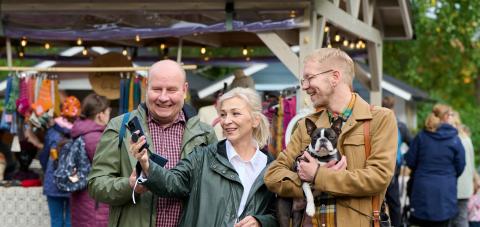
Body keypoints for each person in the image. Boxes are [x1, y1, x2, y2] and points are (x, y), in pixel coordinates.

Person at [264, 48, 398, 226]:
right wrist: (309, 182)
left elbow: (378, 178)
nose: (304, 86)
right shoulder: (306, 125)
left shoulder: (380, 118)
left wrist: (319, 176)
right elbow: (273, 176)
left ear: (335, 77)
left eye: (310, 78)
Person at [87, 60, 217, 227]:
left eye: (171, 90)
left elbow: (215, 189)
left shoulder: (205, 134)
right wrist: (129, 186)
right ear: (146, 86)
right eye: (157, 89)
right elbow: (96, 184)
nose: (163, 97)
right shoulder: (120, 126)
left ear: (184, 90)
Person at [131, 87, 277, 227]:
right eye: (223, 114)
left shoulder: (270, 168)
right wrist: (146, 163)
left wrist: (261, 222)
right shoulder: (202, 157)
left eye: (235, 113)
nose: (226, 121)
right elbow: (172, 183)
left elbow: (277, 215)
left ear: (255, 120)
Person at [405, 104, 465, 227]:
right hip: (445, 191)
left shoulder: (421, 137)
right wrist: (449, 176)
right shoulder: (455, 140)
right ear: (447, 117)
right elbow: (460, 165)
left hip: (422, 191)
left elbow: (410, 160)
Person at [70, 94, 111, 227]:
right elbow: (109, 168)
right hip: (95, 204)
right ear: (100, 115)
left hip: (82, 200)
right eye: (108, 112)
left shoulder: (81, 133)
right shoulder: (95, 138)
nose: (109, 116)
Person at [41, 96, 81, 227]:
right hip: (73, 181)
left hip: (53, 180)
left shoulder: (52, 132)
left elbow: (43, 157)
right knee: (71, 221)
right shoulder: (81, 133)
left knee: (56, 221)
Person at [381, 96, 412, 227]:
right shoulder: (400, 125)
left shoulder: (377, 120)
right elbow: (413, 145)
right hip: (394, 168)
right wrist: (405, 157)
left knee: (377, 201)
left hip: (376, 166)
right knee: (394, 203)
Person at [451, 111, 475, 227]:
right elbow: (471, 164)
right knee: (462, 219)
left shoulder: (451, 140)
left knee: (450, 220)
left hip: (452, 187)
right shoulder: (467, 139)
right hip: (465, 188)